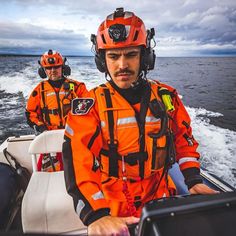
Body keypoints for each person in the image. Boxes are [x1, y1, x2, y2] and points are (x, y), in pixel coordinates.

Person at [63, 8, 217, 235]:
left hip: (162, 200)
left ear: (145, 57)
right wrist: (96, 215)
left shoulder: (166, 97)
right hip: (112, 209)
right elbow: (77, 160)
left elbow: (183, 139)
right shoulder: (89, 106)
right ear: (102, 61)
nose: (122, 65)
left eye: (131, 54)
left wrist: (193, 178)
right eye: (113, 56)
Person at [26, 49, 88, 171]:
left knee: (79, 171)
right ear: (43, 71)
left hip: (73, 137)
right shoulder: (39, 90)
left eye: (56, 67)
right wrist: (41, 127)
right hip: (49, 138)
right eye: (48, 68)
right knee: (49, 172)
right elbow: (30, 113)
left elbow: (89, 107)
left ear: (63, 67)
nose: (53, 71)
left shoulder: (77, 87)